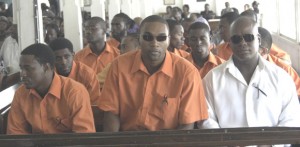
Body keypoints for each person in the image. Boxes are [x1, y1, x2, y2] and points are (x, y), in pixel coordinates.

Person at [98, 15, 208, 132]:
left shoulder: (187, 73)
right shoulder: (119, 66)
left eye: (161, 38)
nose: (154, 43)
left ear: (168, 40)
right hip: (127, 140)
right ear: (139, 39)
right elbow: (111, 114)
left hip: (169, 142)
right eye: (147, 37)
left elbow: (186, 125)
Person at [199, 16, 300, 129]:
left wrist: (272, 143)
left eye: (248, 37)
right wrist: (225, 143)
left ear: (259, 39)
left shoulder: (281, 77)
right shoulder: (212, 79)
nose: (242, 43)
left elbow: (291, 117)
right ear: (230, 43)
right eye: (236, 39)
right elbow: (206, 119)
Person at [7, 43, 95, 134]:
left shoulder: (75, 92)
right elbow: (15, 134)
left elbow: (83, 137)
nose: (22, 74)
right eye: (21, 69)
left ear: (46, 67)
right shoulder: (21, 94)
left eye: (28, 69)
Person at [49, 38, 101, 105]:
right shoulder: (49, 76)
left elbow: (94, 105)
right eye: (58, 58)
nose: (63, 62)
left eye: (66, 57)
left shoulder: (87, 74)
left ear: (73, 55)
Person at [258, 27, 300, 100]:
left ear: (263, 51)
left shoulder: (284, 69)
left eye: (250, 48)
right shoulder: (239, 67)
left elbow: (298, 92)